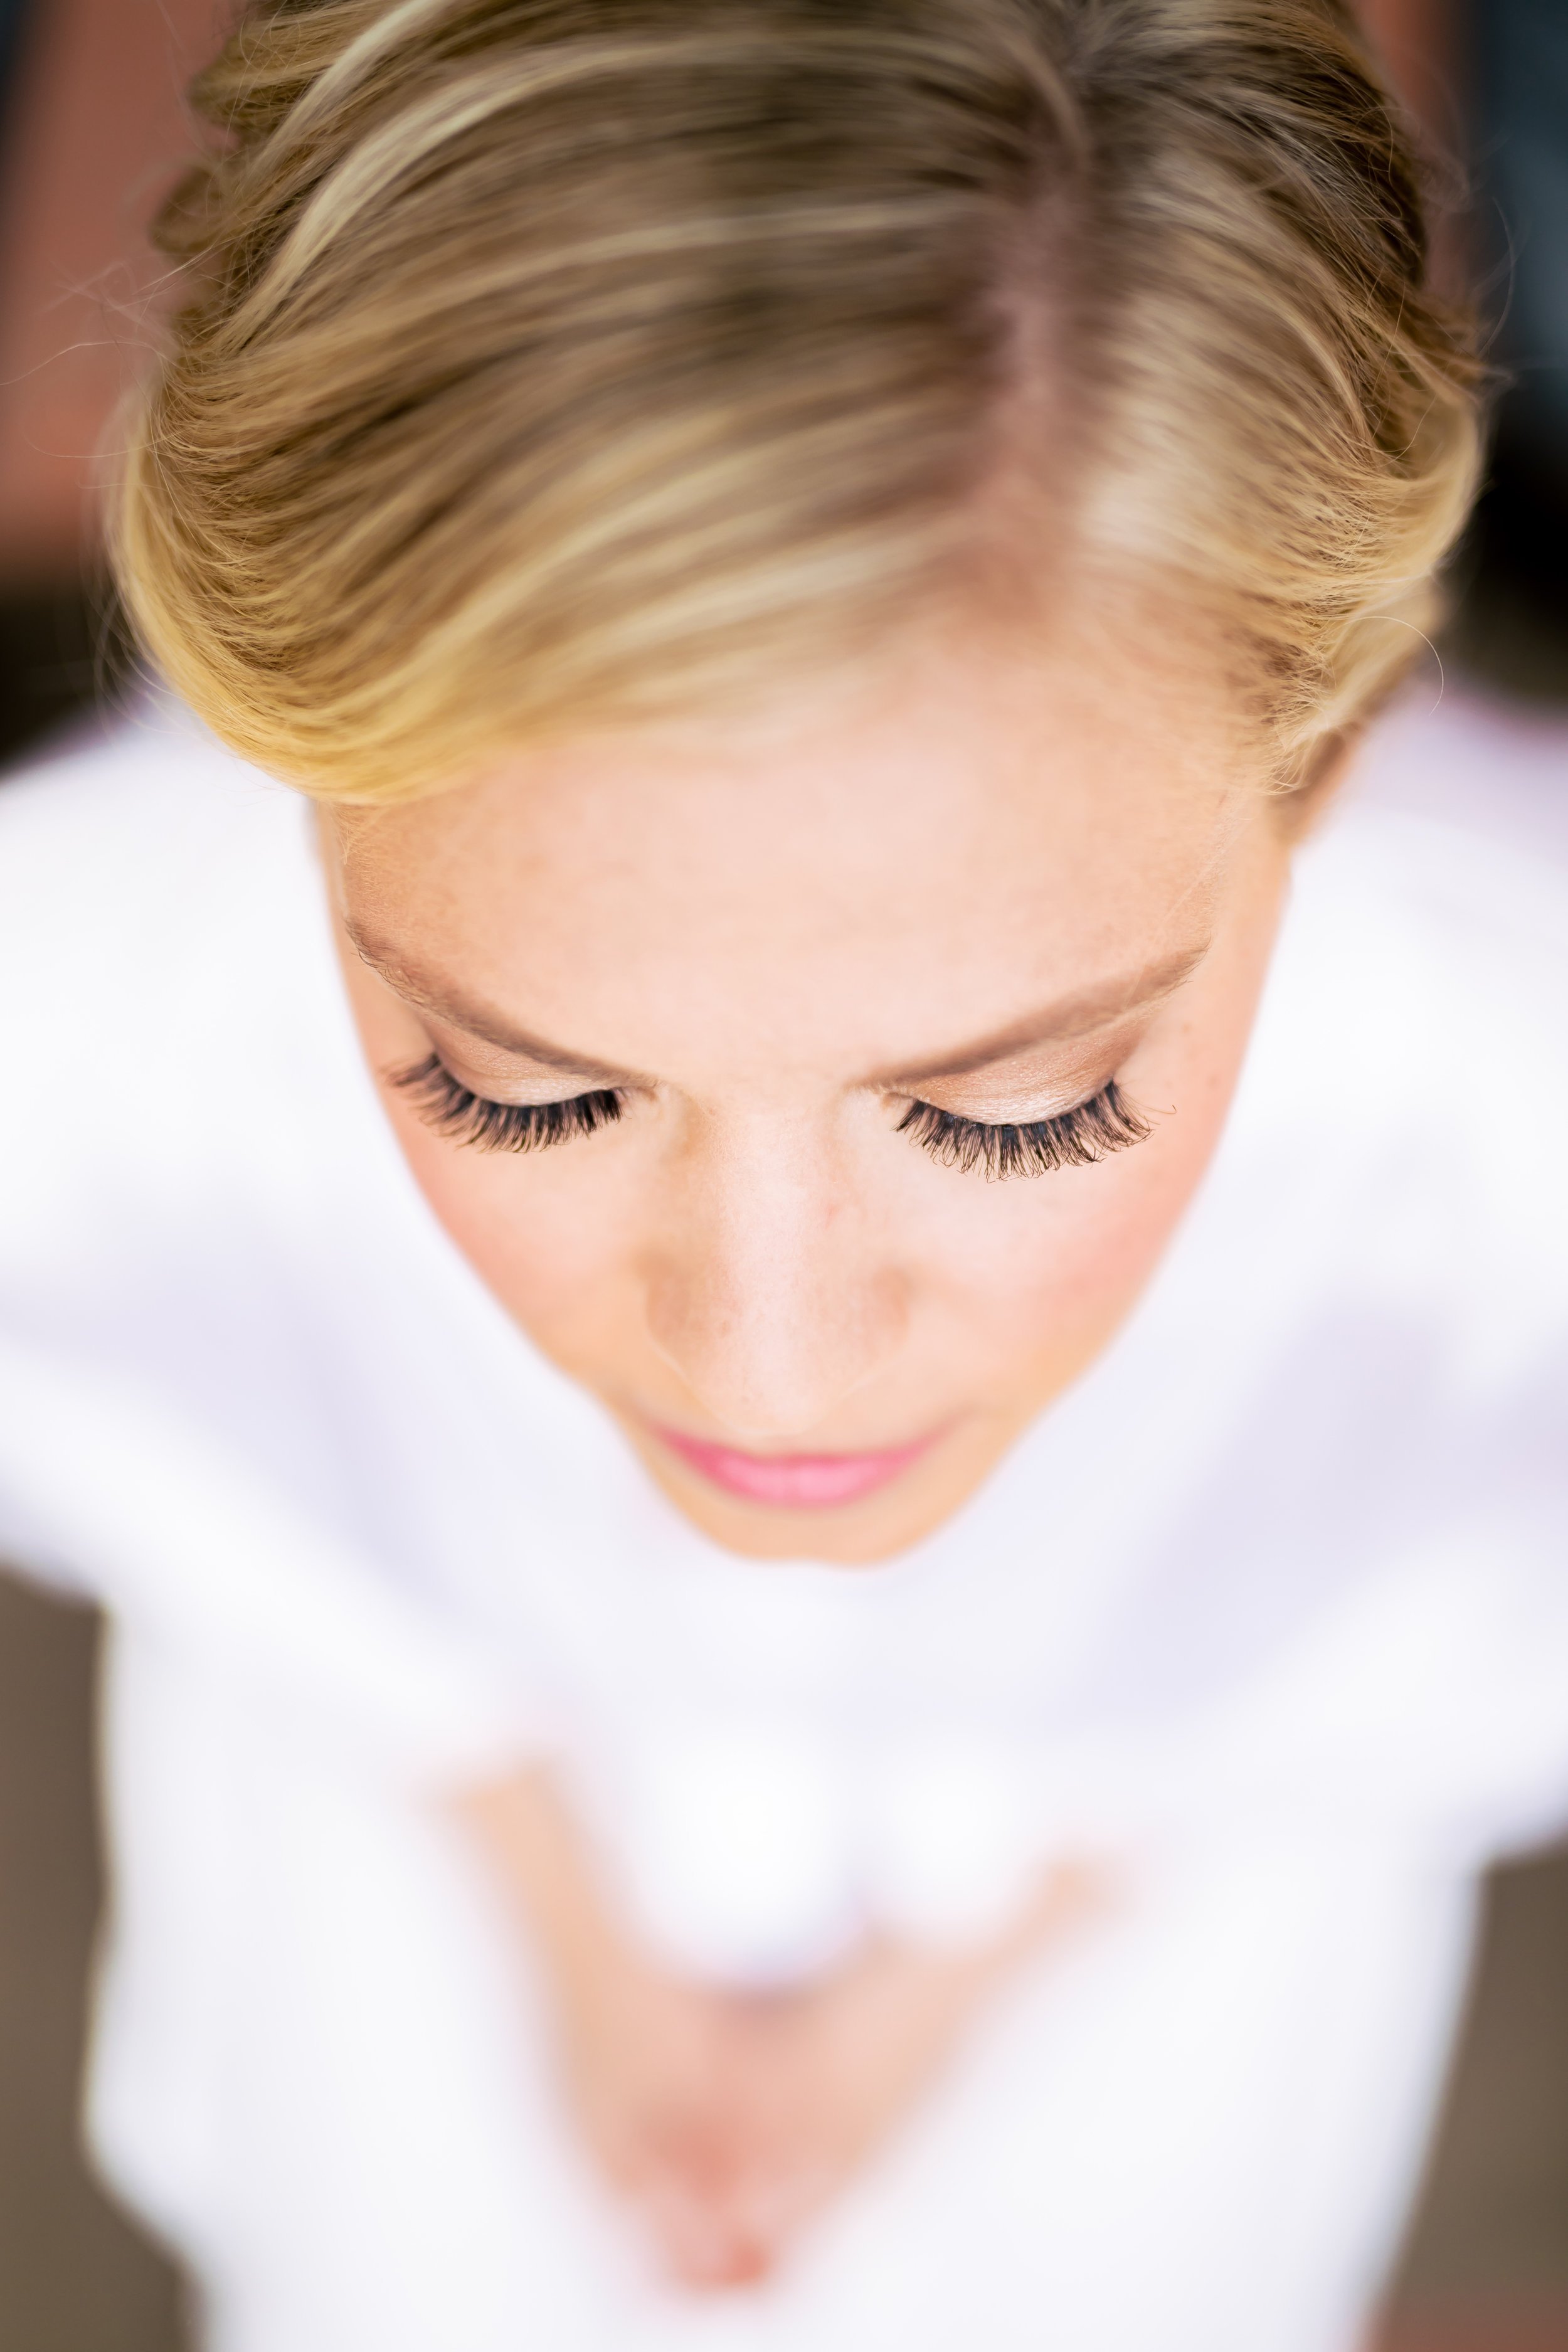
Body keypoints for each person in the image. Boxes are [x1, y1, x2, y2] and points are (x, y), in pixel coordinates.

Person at [0, 2, 1564, 2346]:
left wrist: (936, 2003)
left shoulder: (1501, 1090)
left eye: (1015, 1112)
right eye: (523, 1094)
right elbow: (171, 1440)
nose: (769, 1363)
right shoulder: (94, 981)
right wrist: (539, 1896)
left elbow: (1437, 1616)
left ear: (1324, 742)